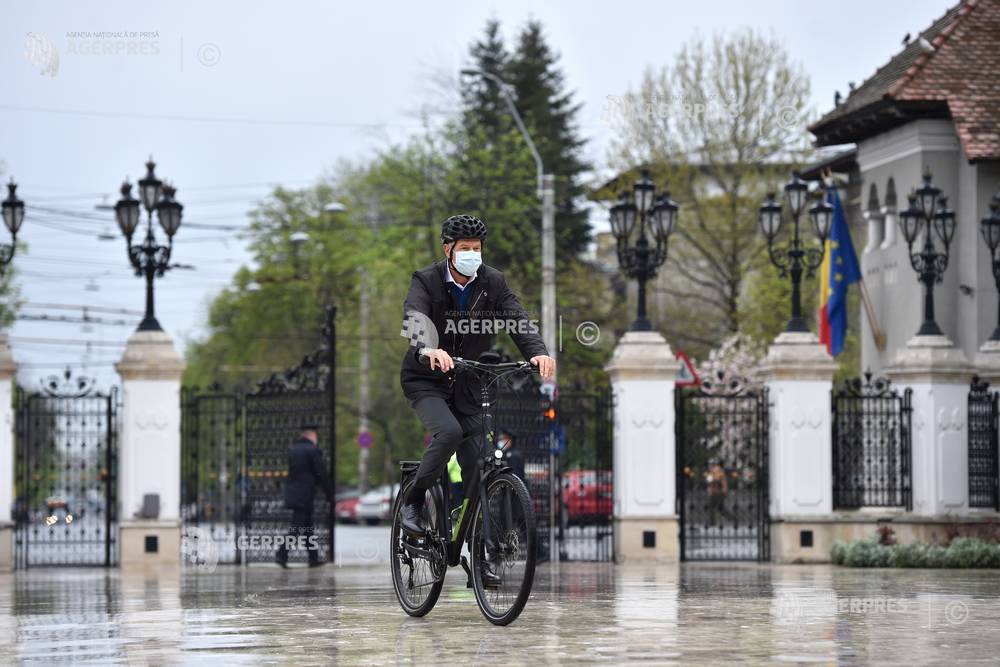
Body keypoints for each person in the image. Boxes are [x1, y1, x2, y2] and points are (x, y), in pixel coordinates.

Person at [398, 214, 555, 582]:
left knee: (480, 468)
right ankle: (414, 501)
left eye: (477, 248)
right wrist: (427, 349)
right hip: (428, 380)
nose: (472, 254)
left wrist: (539, 351)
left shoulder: (492, 281)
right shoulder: (427, 279)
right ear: (448, 249)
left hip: (469, 382)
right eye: (465, 248)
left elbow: (517, 318)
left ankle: (479, 558)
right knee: (449, 433)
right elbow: (414, 317)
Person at [277, 421, 334, 567]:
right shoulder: (312, 450)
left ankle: (313, 558)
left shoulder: (294, 449)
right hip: (305, 495)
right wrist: (329, 494)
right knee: (296, 528)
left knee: (308, 528)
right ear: (312, 435)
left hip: (296, 494)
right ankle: (281, 554)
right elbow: (321, 473)